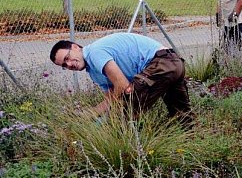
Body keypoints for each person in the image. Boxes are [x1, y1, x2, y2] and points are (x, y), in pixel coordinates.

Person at [50, 33, 194, 126]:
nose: (69, 64)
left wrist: (93, 114)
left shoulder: (94, 52)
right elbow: (111, 97)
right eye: (64, 65)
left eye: (67, 58)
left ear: (75, 47)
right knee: (183, 118)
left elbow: (122, 85)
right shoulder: (93, 71)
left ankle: (128, 152)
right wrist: (91, 116)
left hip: (162, 63)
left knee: (124, 112)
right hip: (172, 64)